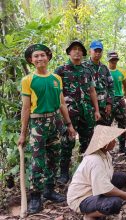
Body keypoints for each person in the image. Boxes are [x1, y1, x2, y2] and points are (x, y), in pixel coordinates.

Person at [18, 44, 76, 214]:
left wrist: (69, 124)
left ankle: (49, 190)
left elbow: (62, 103)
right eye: (36, 56)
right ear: (31, 60)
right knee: (37, 160)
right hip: (38, 124)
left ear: (48, 57)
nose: (39, 58)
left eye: (42, 55)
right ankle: (35, 196)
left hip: (55, 121)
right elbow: (26, 108)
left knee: (54, 157)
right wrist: (23, 133)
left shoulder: (56, 78)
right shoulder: (28, 80)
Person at [55, 40, 101, 184]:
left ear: (83, 53)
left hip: (86, 111)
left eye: (80, 50)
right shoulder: (61, 71)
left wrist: (97, 110)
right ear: (69, 52)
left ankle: (84, 170)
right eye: (74, 49)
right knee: (67, 142)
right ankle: (64, 173)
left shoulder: (87, 70)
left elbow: (92, 90)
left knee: (87, 142)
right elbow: (57, 93)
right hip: (69, 113)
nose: (77, 52)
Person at [67, 125, 126, 220]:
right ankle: (90, 215)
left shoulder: (106, 154)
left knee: (121, 177)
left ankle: (98, 205)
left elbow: (107, 176)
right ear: (105, 144)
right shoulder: (95, 161)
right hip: (81, 198)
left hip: (94, 189)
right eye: (112, 140)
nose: (115, 142)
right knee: (114, 203)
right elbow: (106, 190)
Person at [85, 40, 114, 126]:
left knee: (103, 134)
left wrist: (109, 103)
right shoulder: (84, 67)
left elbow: (111, 86)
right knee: (89, 135)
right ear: (90, 51)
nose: (97, 53)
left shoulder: (104, 68)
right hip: (89, 107)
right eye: (95, 51)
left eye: (99, 51)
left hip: (103, 107)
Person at [107, 51, 126, 155]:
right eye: (112, 60)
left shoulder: (121, 72)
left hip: (120, 99)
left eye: (115, 59)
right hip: (108, 100)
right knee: (107, 125)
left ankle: (122, 147)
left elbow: (125, 87)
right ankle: (106, 148)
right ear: (108, 60)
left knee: (122, 124)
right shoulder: (105, 71)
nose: (114, 62)